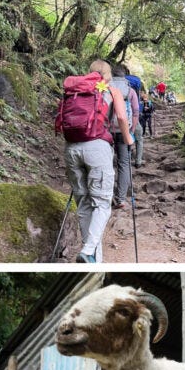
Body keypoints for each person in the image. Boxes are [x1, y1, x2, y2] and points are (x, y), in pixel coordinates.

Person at [62, 59, 133, 263]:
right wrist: (128, 139)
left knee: (84, 202)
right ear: (108, 74)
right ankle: (89, 250)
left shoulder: (75, 90)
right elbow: (121, 116)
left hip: (71, 147)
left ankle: (92, 258)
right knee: (102, 203)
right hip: (97, 148)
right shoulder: (110, 90)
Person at [108, 64, 139, 209]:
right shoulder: (130, 91)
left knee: (106, 162)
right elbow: (135, 112)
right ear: (124, 75)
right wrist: (131, 130)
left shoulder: (105, 87)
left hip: (105, 131)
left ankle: (105, 195)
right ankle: (120, 199)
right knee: (124, 164)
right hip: (123, 131)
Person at [125, 70, 145, 167]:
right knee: (139, 139)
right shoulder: (135, 82)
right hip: (132, 115)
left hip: (118, 116)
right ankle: (138, 161)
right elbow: (136, 107)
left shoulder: (114, 83)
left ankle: (126, 158)